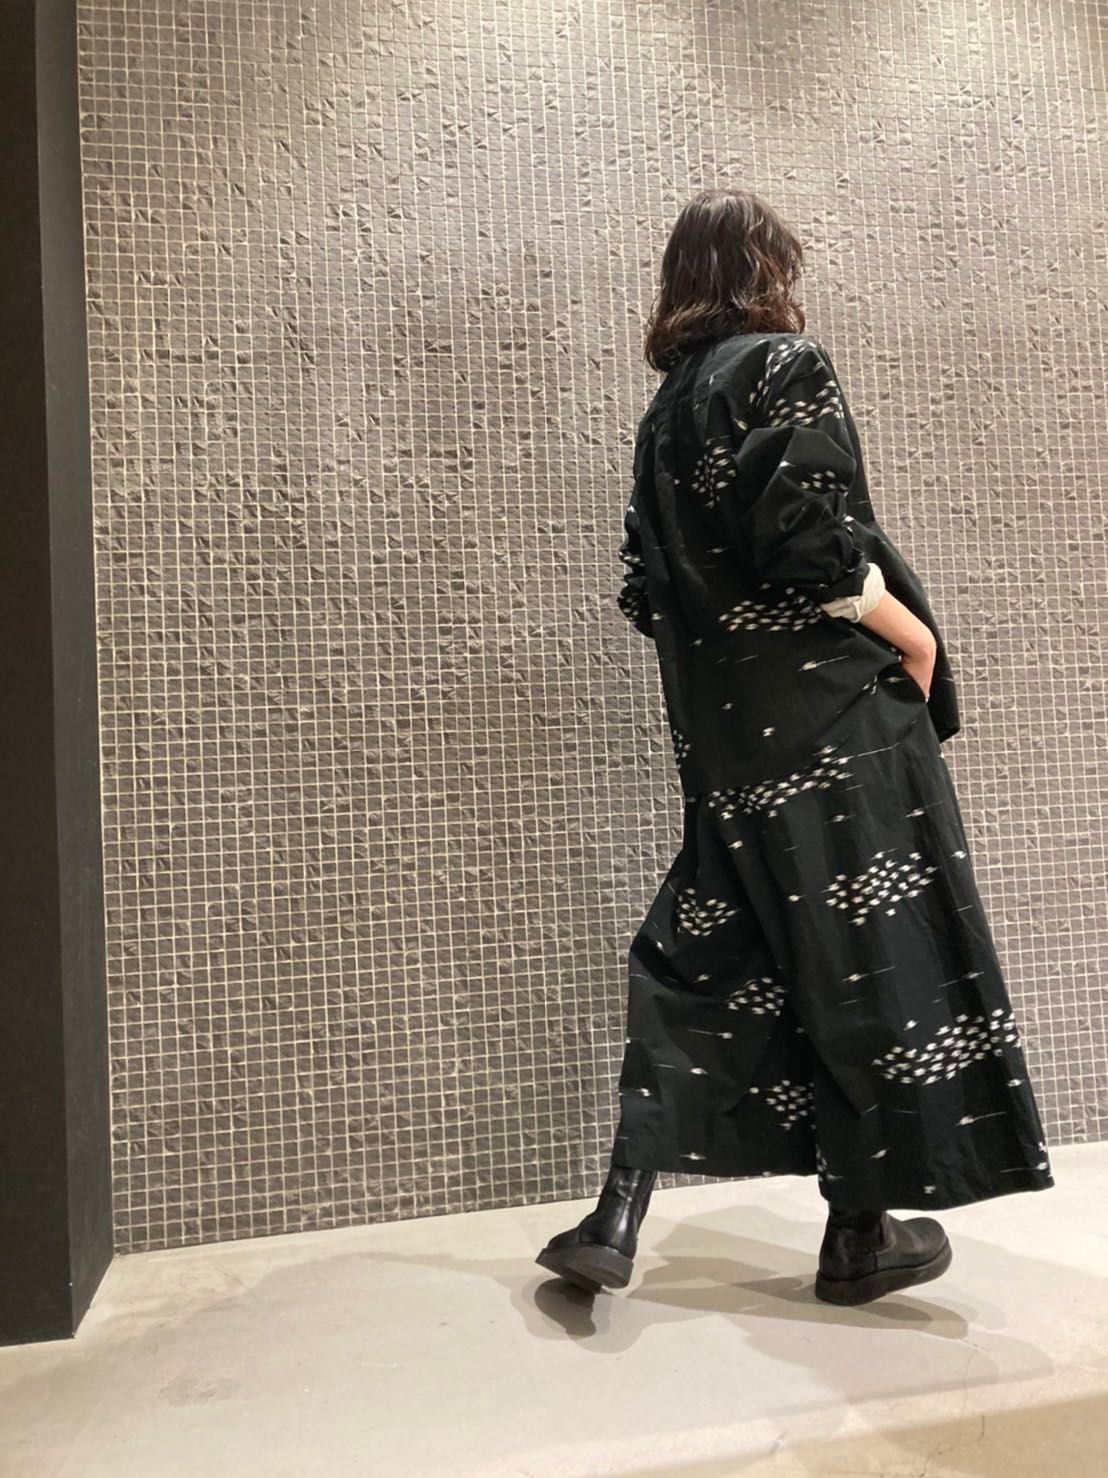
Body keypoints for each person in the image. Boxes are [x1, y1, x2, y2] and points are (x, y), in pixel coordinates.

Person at [536, 188, 1054, 1307]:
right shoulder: (783, 363)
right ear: (763, 269)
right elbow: (809, 543)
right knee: (874, 953)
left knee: (712, 957)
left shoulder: (666, 412)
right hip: (834, 724)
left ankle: (619, 1215)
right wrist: (914, 638)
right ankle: (857, 1235)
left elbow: (647, 590)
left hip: (728, 737)